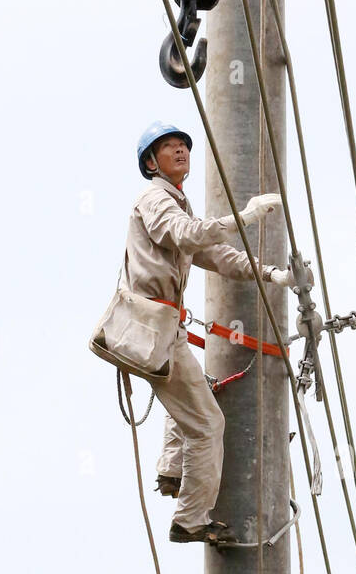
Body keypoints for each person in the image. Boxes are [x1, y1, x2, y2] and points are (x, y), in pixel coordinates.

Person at [125, 121, 295, 546]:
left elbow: (213, 253)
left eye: (183, 145)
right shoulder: (155, 200)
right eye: (169, 147)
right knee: (206, 423)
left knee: (192, 391)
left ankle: (171, 470)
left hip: (162, 329)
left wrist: (271, 274)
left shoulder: (175, 203)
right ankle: (191, 519)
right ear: (151, 162)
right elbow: (186, 235)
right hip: (152, 326)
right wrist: (247, 216)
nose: (181, 151)